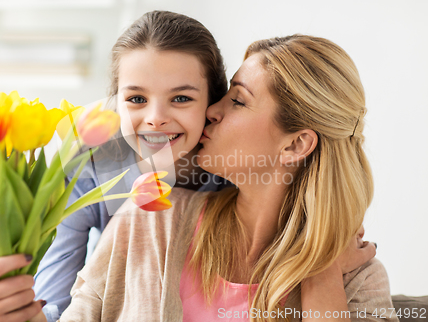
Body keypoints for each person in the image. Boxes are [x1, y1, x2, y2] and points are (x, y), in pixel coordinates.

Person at [52, 35, 397, 322]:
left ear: (295, 144)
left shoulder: (359, 277)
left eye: (239, 101)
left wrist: (321, 265)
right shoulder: (150, 218)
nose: (213, 111)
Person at [30, 10, 232, 322]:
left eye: (180, 99)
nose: (155, 117)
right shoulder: (90, 166)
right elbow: (53, 297)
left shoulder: (233, 170)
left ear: (213, 102)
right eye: (137, 99)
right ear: (116, 101)